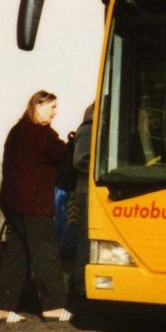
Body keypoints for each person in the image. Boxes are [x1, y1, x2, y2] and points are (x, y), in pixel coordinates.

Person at [0, 90, 73, 324]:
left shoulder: (17, 131)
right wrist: (71, 144)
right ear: (37, 106)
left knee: (17, 254)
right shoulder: (42, 135)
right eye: (52, 107)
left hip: (12, 203)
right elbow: (63, 156)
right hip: (34, 204)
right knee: (45, 254)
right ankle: (54, 306)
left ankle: (1, 308)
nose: (55, 112)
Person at [69, 103, 94, 300]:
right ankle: (79, 285)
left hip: (91, 192)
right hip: (86, 192)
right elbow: (81, 160)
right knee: (85, 239)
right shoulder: (87, 129)